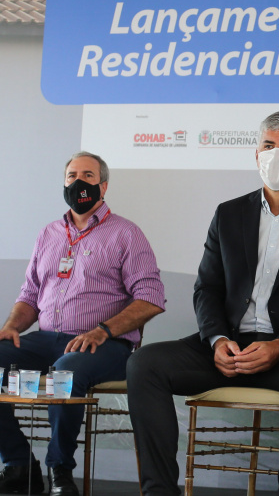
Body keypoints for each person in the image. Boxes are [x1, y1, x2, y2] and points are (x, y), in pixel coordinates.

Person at [127, 110, 279, 495]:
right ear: (256, 154)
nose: (276, 155)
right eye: (268, 146)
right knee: (144, 364)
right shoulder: (229, 214)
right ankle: (159, 492)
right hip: (230, 347)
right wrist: (217, 340)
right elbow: (206, 289)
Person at [0, 152, 165, 496]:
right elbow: (30, 294)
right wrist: (12, 325)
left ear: (103, 185)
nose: (79, 182)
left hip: (105, 345)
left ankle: (59, 469)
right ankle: (18, 463)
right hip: (45, 339)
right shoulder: (48, 233)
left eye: (88, 175)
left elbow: (151, 297)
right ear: (64, 183)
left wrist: (102, 330)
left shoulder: (126, 233)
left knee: (67, 370)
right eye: (72, 174)